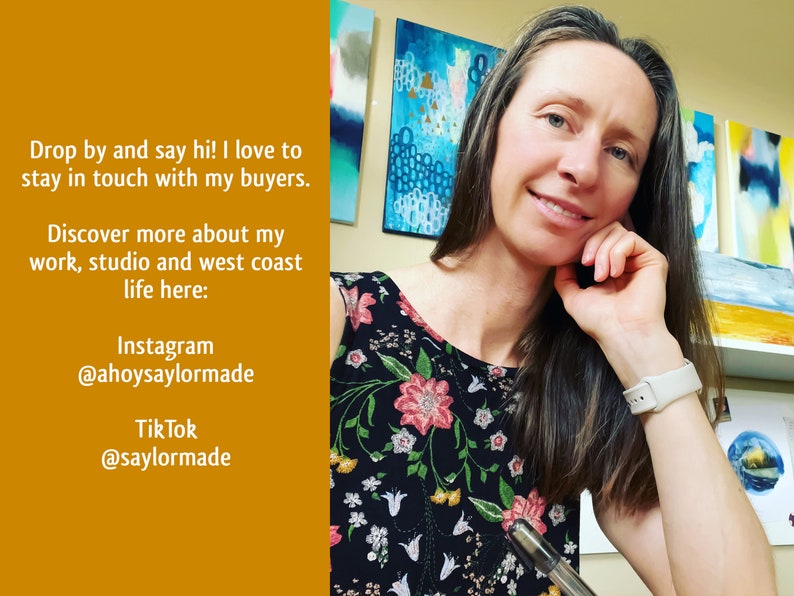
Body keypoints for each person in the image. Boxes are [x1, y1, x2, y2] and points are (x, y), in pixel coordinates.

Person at [330, 5, 776, 595]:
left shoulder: (587, 393)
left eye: (622, 152)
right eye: (558, 119)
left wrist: (645, 344)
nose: (583, 167)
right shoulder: (340, 314)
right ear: (492, 123)